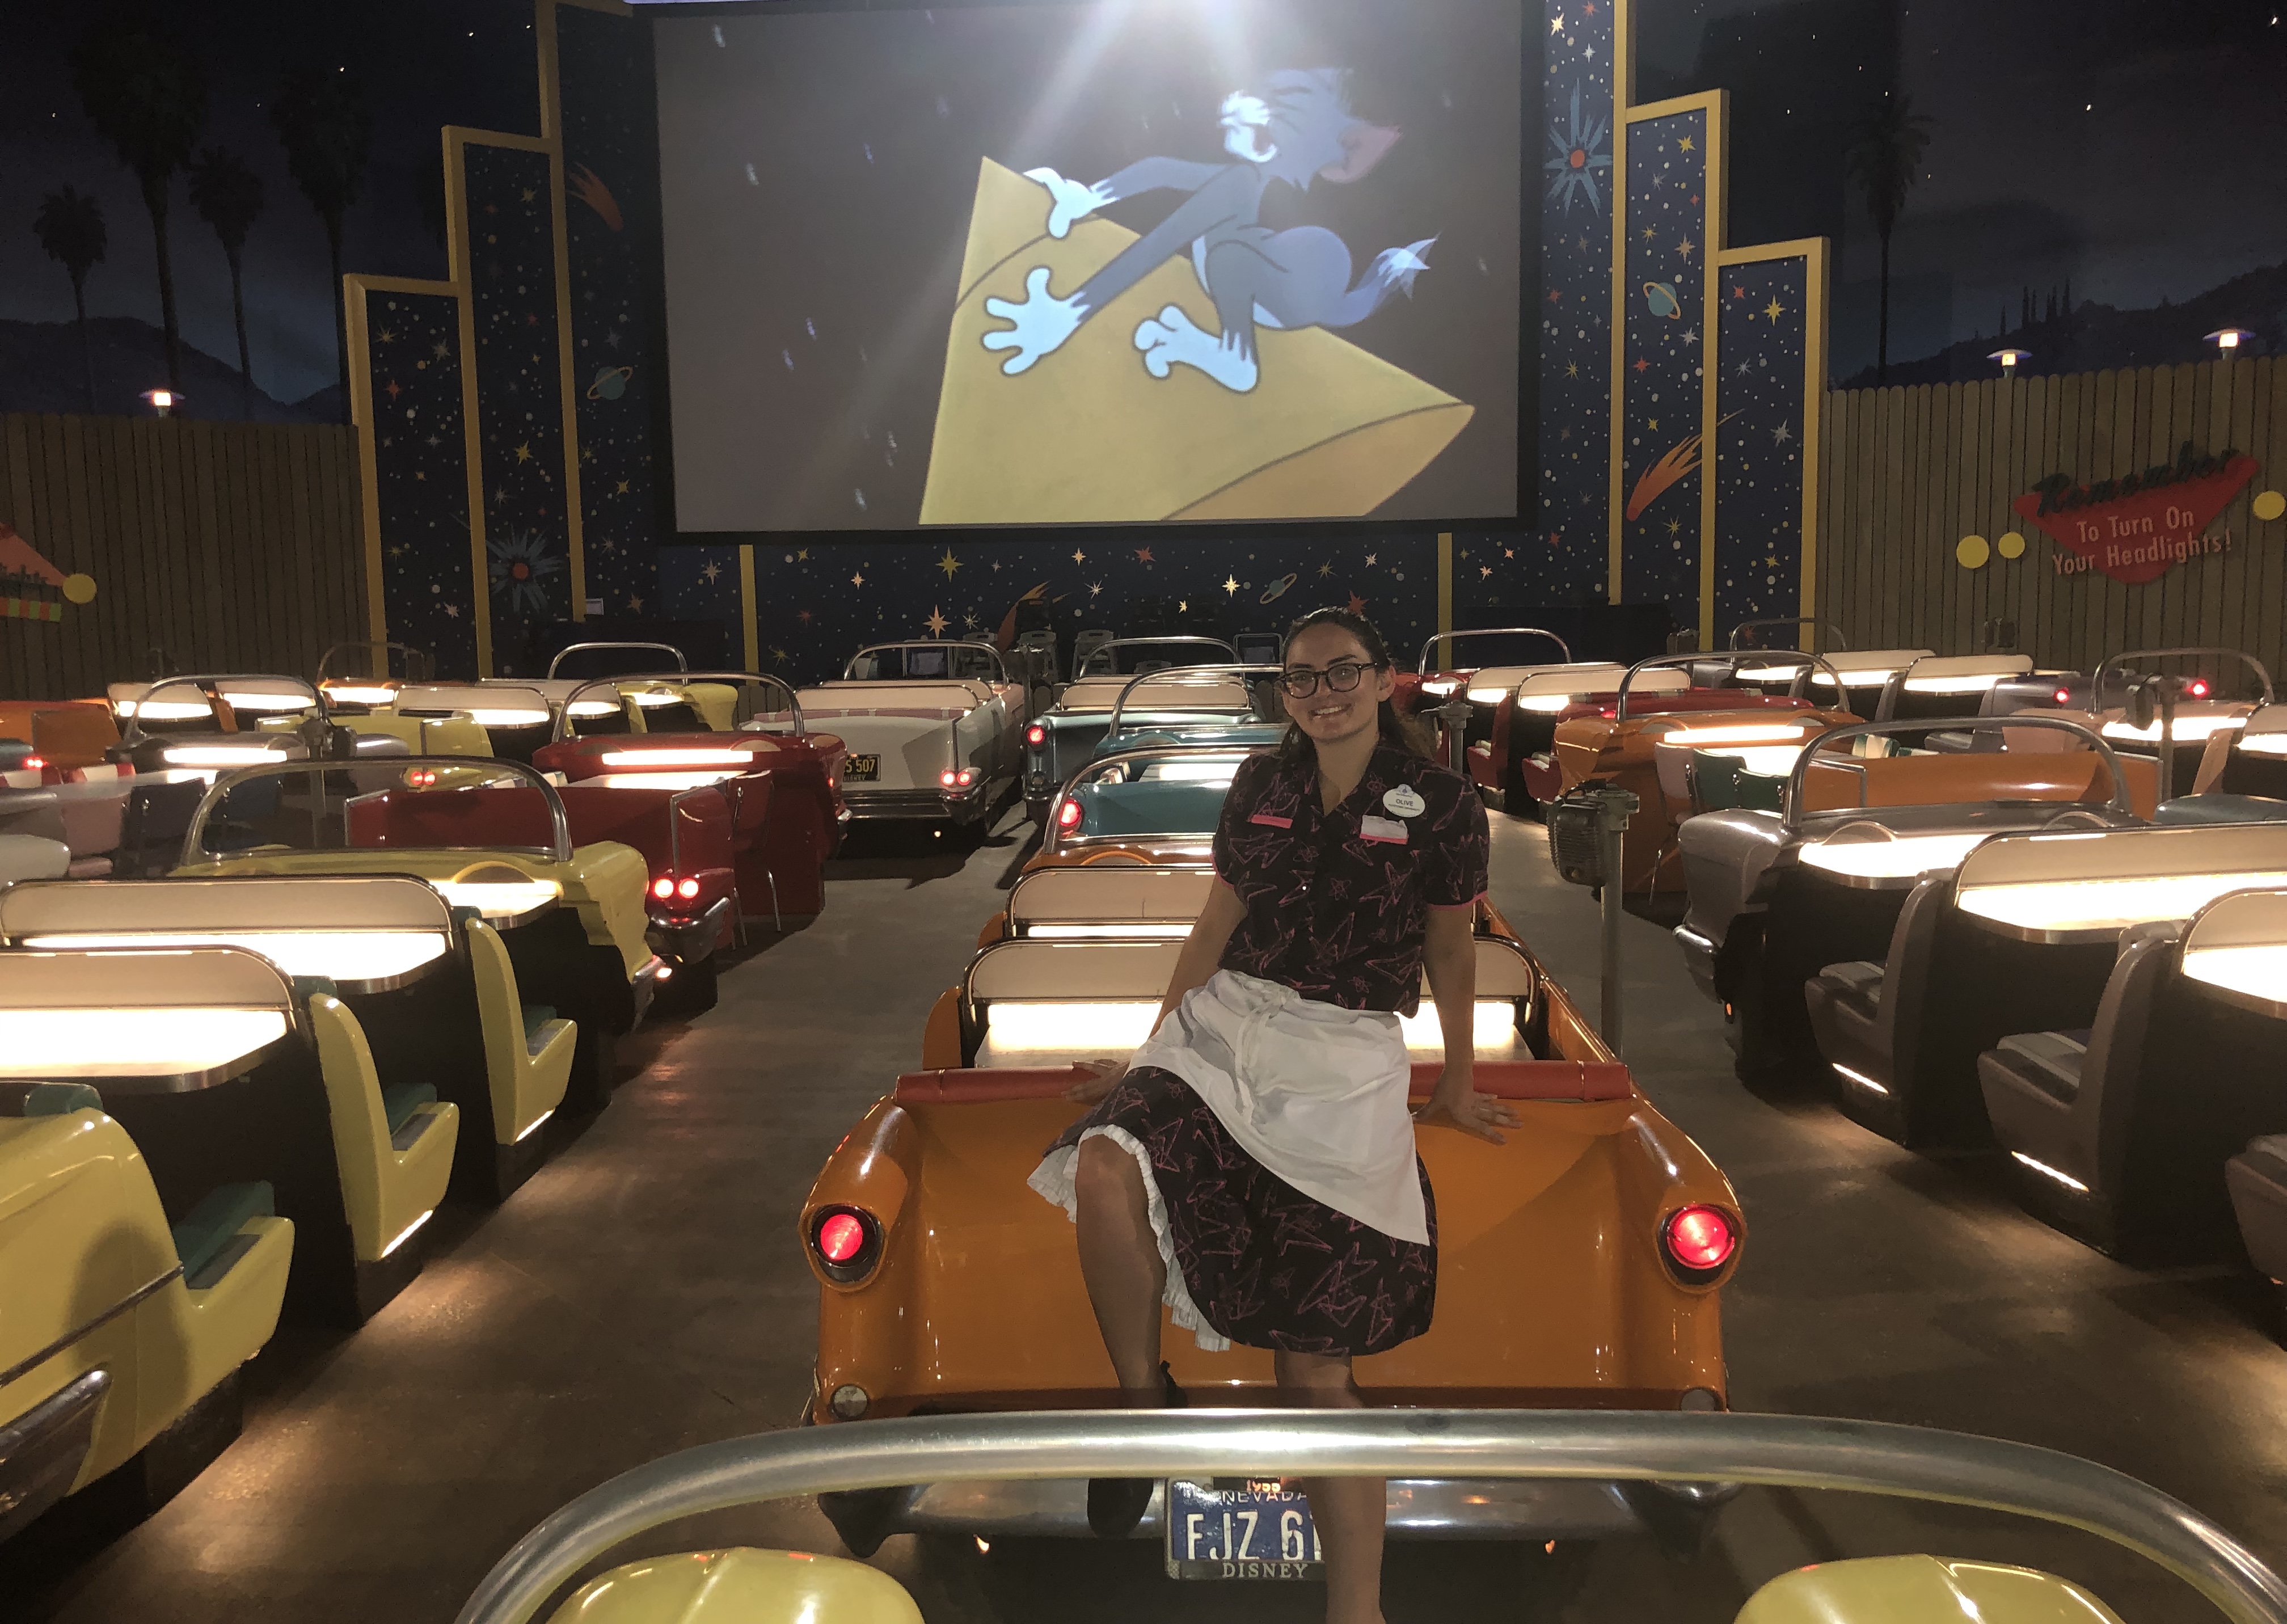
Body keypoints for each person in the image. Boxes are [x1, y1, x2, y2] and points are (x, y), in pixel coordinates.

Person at [1028, 605, 1518, 1624]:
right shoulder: (1263, 784)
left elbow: (1452, 948)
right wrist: (1150, 1047)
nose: (1322, 693)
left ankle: (1357, 1611)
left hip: (1344, 1057)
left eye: (1343, 673)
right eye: (1300, 678)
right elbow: (1219, 921)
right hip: (1226, 1025)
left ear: (1385, 680)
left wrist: (1459, 1078)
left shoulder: (1441, 801)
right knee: (1106, 1161)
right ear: (1282, 693)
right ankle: (1141, 1409)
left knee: (1315, 1362)